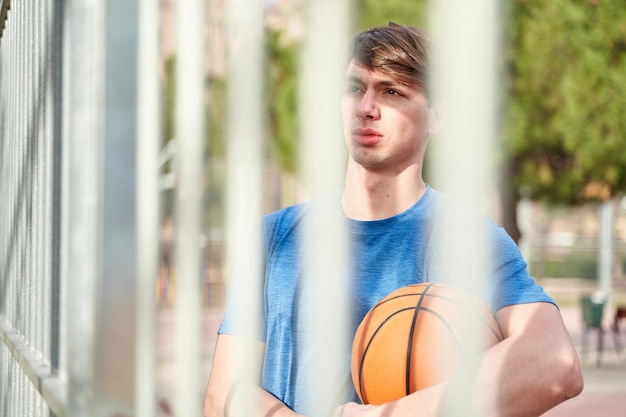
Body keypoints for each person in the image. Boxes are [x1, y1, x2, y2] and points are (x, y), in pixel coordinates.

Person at [204, 22, 583, 417]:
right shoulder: (276, 237)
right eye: (354, 88)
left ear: (436, 116)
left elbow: (555, 362)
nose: (366, 107)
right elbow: (222, 395)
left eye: (392, 91)